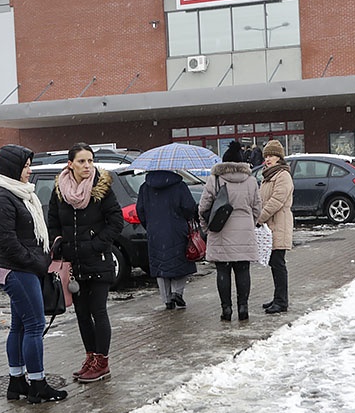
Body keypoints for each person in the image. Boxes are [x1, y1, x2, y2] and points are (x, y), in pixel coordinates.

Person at [0, 144, 68, 404]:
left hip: (23, 268)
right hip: (17, 270)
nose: (29, 171)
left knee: (20, 326)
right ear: (13, 169)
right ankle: (37, 384)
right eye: (26, 166)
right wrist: (36, 263)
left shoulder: (18, 194)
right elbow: (7, 242)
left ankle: (17, 381)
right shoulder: (1, 199)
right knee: (34, 325)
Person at [47, 143, 124, 383]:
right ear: (70, 164)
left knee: (98, 311)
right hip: (74, 264)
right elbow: (52, 221)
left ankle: (102, 362)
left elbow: (116, 222)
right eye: (81, 161)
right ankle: (90, 357)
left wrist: (96, 245)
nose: (87, 166)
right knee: (81, 314)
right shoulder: (60, 191)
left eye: (90, 161)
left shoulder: (102, 188)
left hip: (98, 261)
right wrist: (59, 242)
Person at [199, 140, 261, 321]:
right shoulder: (250, 181)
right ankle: (243, 307)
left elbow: (203, 208)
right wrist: (250, 223)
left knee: (222, 272)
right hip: (244, 233)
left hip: (220, 232)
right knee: (243, 271)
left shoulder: (215, 179)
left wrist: (207, 229)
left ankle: (226, 309)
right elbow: (257, 207)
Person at [136, 165, 199, 310]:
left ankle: (167, 299)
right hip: (177, 229)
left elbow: (140, 211)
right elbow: (189, 207)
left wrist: (150, 225)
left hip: (155, 231)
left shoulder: (145, 188)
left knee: (160, 265)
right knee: (181, 261)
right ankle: (177, 292)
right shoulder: (179, 186)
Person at [258, 140, 294, 314]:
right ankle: (278, 297)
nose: (268, 159)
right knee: (274, 262)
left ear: (279, 157)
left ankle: (282, 301)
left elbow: (276, 201)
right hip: (270, 226)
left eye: (271, 155)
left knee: (278, 263)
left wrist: (260, 217)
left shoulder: (282, 175)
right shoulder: (268, 176)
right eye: (266, 156)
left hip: (279, 224)